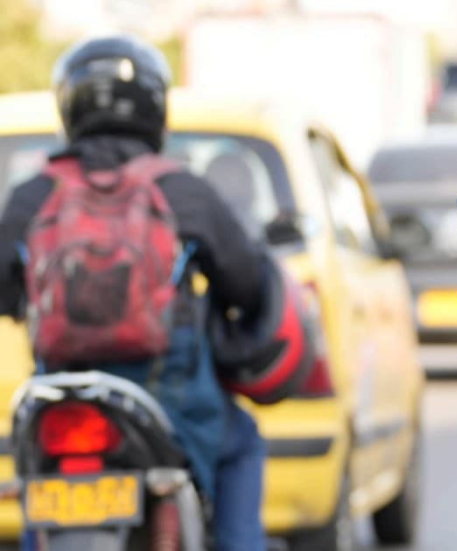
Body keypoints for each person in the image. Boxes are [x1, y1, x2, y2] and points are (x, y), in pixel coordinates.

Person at [0, 35, 268, 551]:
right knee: (242, 445)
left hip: (61, 394)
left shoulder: (33, 194)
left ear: (69, 104)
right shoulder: (181, 189)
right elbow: (246, 283)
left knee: (39, 469)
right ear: (155, 107)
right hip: (173, 399)